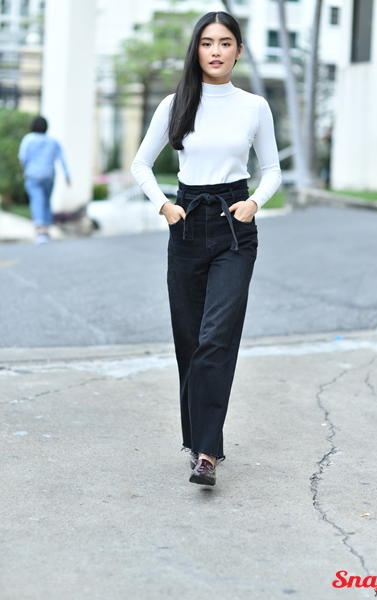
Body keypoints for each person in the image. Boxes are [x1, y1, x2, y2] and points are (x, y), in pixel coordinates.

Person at [131, 11, 281, 486]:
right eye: (207, 42)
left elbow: (272, 169)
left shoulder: (254, 106)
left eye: (225, 42)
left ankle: (207, 454)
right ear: (196, 49)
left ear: (239, 51)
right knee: (190, 341)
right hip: (187, 225)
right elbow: (140, 164)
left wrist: (254, 203)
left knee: (217, 337)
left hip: (235, 228)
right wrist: (164, 207)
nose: (216, 51)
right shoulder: (176, 103)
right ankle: (197, 440)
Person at [19, 116, 70, 245]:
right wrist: (67, 176)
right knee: (46, 201)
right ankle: (46, 230)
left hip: (33, 175)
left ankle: (40, 231)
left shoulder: (28, 139)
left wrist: (25, 169)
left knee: (37, 201)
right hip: (48, 175)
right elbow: (62, 159)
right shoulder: (53, 141)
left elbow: (22, 157)